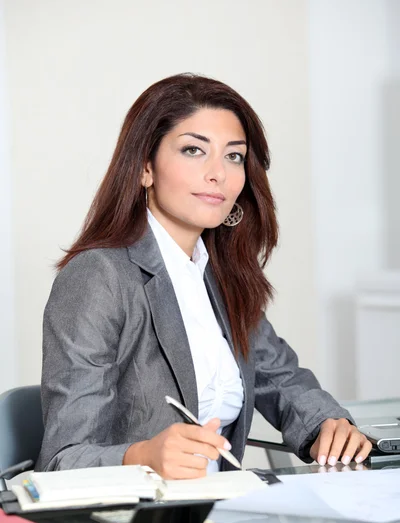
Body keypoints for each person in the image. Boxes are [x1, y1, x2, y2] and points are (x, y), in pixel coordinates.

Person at [36, 73, 372, 476]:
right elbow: (62, 459)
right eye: (194, 150)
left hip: (218, 519)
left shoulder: (221, 274)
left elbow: (280, 377)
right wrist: (143, 456)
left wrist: (328, 424)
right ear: (145, 167)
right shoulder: (99, 276)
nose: (219, 174)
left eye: (234, 156)